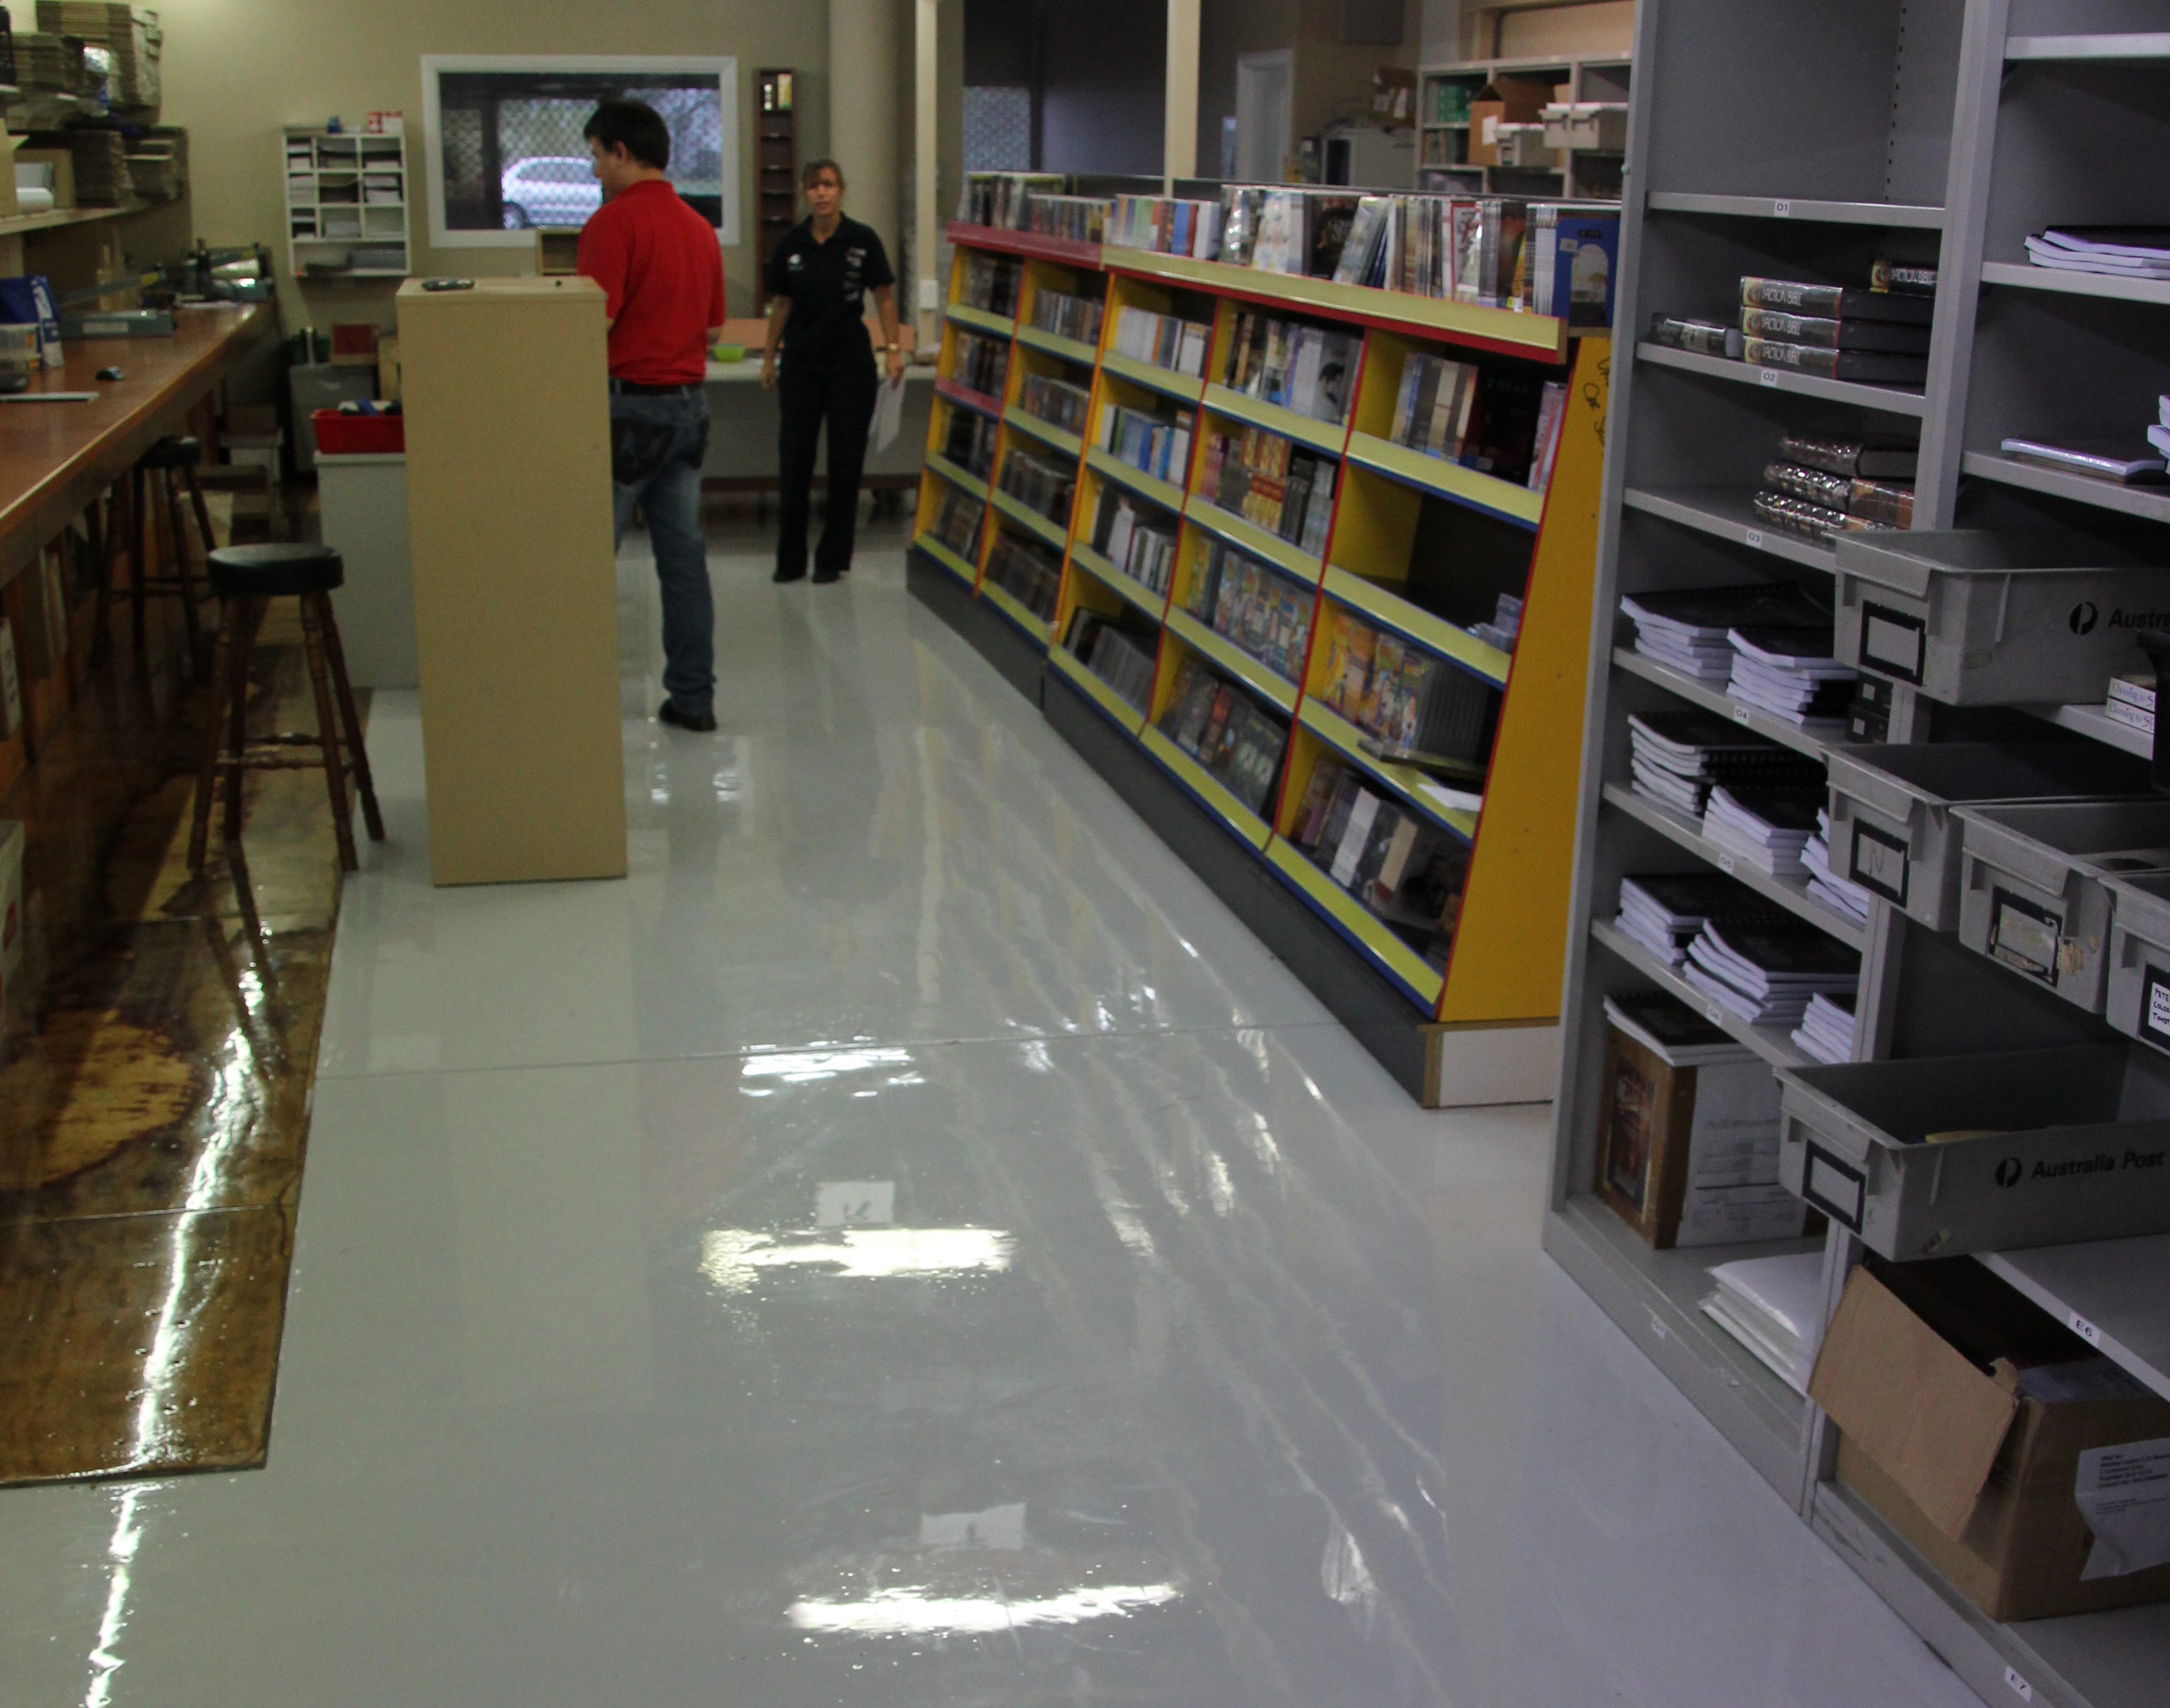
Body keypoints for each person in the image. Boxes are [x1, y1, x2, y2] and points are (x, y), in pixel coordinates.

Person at [578, 99, 726, 733]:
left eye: (595, 156)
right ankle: (693, 700)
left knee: (583, 558)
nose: (593, 172)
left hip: (627, 410)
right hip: (689, 411)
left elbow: (592, 325)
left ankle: (575, 704)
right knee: (684, 563)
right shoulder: (698, 227)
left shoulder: (612, 225)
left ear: (621, 151)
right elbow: (715, 326)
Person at [761, 159, 904, 584]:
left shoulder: (862, 240)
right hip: (802, 364)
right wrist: (769, 358)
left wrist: (893, 350)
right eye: (813, 186)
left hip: (850, 365)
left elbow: (885, 299)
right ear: (805, 194)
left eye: (828, 185)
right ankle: (790, 559)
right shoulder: (791, 243)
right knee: (795, 463)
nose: (821, 193)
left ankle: (832, 558)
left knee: (845, 465)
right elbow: (781, 306)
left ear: (841, 190)